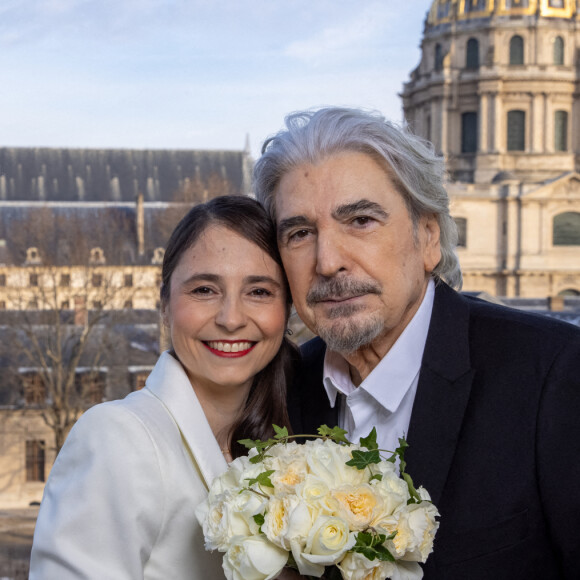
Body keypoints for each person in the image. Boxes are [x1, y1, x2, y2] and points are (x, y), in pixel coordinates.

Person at [253, 107, 580, 580]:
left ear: (428, 237)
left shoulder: (554, 374)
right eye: (300, 233)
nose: (327, 261)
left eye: (360, 220)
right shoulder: (281, 391)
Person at [29, 195, 300, 579]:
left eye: (259, 291)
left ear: (286, 310)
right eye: (205, 289)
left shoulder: (293, 444)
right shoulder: (116, 437)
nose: (231, 318)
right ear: (164, 306)